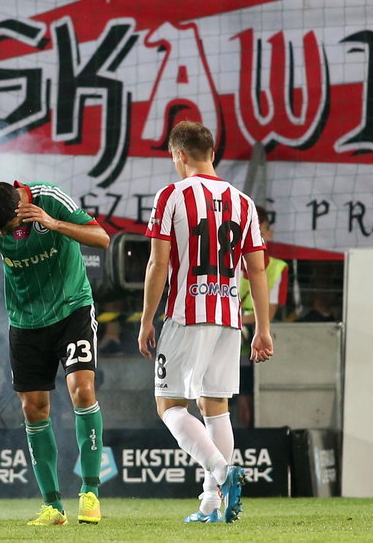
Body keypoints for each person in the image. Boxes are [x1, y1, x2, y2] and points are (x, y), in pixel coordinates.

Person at [0, 179, 109, 526]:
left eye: (11, 225)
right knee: (33, 408)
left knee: (82, 390)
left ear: (20, 205)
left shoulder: (49, 198)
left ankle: (89, 493)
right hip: (26, 321)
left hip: (71, 308)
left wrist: (53, 223)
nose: (6, 233)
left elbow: (102, 239)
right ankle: (52, 506)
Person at [138, 120, 274, 524]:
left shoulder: (171, 196)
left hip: (186, 313)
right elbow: (258, 270)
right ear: (211, 153)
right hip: (229, 316)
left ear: (180, 155)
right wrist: (263, 329)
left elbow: (157, 262)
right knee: (216, 407)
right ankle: (212, 505)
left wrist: (147, 319)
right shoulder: (243, 202)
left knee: (169, 404)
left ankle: (222, 470)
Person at [235, 206, 288, 428]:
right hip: (225, 340)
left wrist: (240, 320)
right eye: (253, 229)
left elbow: (270, 312)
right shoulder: (230, 262)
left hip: (253, 344)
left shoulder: (278, 268)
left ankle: (248, 442)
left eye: (262, 229)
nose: (260, 234)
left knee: (247, 396)